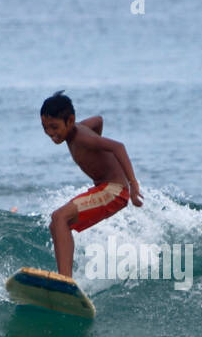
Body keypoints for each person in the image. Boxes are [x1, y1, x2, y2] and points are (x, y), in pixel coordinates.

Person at [39, 91, 142, 278]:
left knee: (60, 217)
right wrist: (99, 157)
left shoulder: (82, 138)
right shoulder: (80, 129)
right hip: (103, 188)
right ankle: (64, 277)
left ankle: (64, 280)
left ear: (70, 121)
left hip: (114, 191)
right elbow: (98, 120)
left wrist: (133, 186)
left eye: (54, 127)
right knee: (56, 224)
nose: (50, 133)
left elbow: (118, 147)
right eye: (45, 128)